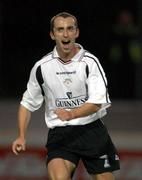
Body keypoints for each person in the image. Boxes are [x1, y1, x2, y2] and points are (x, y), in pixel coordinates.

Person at [12, 12, 120, 180]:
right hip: (61, 135)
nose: (65, 34)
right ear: (52, 34)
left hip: (92, 130)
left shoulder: (90, 63)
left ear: (77, 32)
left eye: (70, 29)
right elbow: (26, 104)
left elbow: (97, 103)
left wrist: (71, 114)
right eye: (60, 29)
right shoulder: (42, 67)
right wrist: (21, 136)